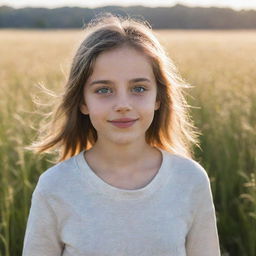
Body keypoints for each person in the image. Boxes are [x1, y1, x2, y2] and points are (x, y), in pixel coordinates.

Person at [22, 12, 221, 256]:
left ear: (158, 97)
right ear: (82, 102)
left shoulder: (190, 180)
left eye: (139, 88)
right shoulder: (55, 186)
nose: (123, 104)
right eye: (104, 90)